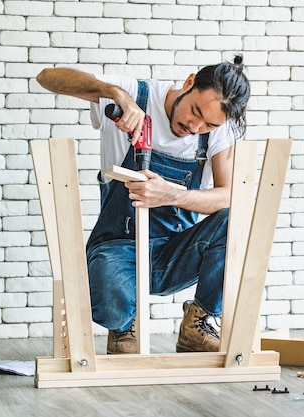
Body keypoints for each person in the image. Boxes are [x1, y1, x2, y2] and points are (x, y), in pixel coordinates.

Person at [36, 55, 250, 354]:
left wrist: (171, 195)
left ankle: (197, 324)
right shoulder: (136, 95)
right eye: (195, 111)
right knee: (116, 317)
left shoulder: (217, 130)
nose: (195, 125)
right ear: (189, 83)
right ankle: (124, 327)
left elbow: (230, 195)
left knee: (236, 221)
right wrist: (115, 94)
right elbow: (48, 76)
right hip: (118, 248)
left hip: (174, 252)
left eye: (209, 124)